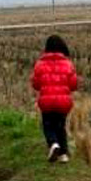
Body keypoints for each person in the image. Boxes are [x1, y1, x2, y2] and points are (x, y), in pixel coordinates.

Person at [31, 35, 78, 163]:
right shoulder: (68, 64)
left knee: (48, 126)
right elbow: (74, 85)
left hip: (47, 102)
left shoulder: (40, 64)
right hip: (63, 103)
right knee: (60, 126)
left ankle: (53, 144)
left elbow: (35, 84)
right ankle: (63, 154)